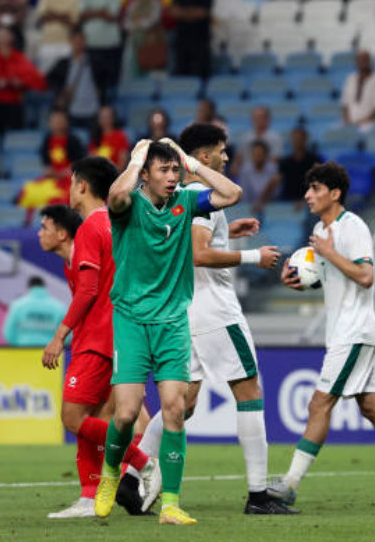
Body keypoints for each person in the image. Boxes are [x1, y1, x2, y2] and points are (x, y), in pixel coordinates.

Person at [133, 124, 292, 515]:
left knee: (183, 403)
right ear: (202, 157)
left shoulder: (175, 197)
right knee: (249, 392)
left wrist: (228, 232)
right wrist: (253, 256)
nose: (226, 156)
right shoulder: (200, 195)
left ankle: (131, 477)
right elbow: (199, 253)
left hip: (184, 311)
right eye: (221, 150)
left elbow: (191, 241)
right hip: (215, 311)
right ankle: (258, 494)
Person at [94, 138, 243, 525]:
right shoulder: (129, 205)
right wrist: (135, 160)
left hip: (173, 321)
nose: (172, 176)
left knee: (176, 409)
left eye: (175, 170)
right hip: (131, 320)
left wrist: (192, 162)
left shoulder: (187, 202)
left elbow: (232, 194)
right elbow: (115, 195)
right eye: (164, 170)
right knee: (126, 413)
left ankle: (172, 504)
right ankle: (109, 474)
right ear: (146, 175)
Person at [269, 161, 375, 509]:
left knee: (318, 404)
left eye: (315, 189)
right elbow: (333, 277)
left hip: (353, 331)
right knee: (372, 406)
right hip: (346, 329)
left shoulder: (352, 226)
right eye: (308, 189)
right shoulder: (320, 229)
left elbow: (366, 276)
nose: (307, 195)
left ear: (335, 193)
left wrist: (329, 253)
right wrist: (300, 282)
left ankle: (289, 484)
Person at [42, 158, 159, 519]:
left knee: (73, 418)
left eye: (71, 181)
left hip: (96, 338)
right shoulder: (115, 222)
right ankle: (90, 497)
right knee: (95, 418)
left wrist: (60, 335)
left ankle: (142, 462)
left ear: (82, 185)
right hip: (118, 335)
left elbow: (89, 289)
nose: (68, 188)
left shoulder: (92, 226)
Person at [0, 26, 46, 136]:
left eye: (6, 35)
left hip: (14, 102)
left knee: (16, 136)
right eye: (0, 35)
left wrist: (20, 82)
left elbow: (35, 78)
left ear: (12, 37)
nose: (3, 38)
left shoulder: (19, 57)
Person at [78, 0, 123, 103]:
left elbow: (112, 15)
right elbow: (81, 14)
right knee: (93, 82)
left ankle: (110, 108)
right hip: (91, 43)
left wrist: (91, 12)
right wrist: (100, 11)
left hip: (110, 44)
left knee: (111, 83)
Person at [2, 274, 68, 347]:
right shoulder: (59, 307)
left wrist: (19, 345)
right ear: (44, 287)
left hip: (24, 349)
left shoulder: (17, 306)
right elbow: (66, 334)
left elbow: (9, 333)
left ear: (28, 287)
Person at [34, 0, 81, 73]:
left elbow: (74, 23)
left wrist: (52, 13)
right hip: (47, 42)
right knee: (44, 76)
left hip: (66, 44)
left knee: (64, 75)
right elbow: (42, 17)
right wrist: (64, 16)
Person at [340, 51, 375, 132]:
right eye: (359, 60)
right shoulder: (351, 78)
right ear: (356, 63)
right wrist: (347, 120)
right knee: (335, 133)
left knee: (362, 132)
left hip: (373, 122)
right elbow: (345, 103)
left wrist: (363, 121)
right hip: (351, 122)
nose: (362, 63)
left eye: (365, 60)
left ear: (370, 62)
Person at [169, 0, 212, 79]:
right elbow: (174, 13)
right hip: (181, 42)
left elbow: (202, 13)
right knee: (181, 75)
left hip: (200, 42)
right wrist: (192, 13)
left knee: (200, 74)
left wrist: (184, 13)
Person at [274, 128, 323, 205]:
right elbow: (276, 181)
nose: (297, 141)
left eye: (299, 138)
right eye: (295, 138)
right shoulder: (285, 162)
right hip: (288, 200)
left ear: (305, 140)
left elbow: (320, 182)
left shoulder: (315, 160)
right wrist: (263, 199)